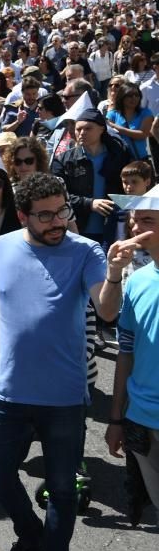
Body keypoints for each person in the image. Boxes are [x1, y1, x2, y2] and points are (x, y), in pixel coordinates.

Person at [0, 173, 140, 551]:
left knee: (63, 491)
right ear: (22, 215)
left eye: (61, 210)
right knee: (0, 476)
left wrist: (116, 274)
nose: (57, 221)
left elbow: (106, 309)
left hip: (64, 399)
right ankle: (30, 537)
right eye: (44, 215)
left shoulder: (87, 251)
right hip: (8, 393)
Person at [106, 185, 159, 519]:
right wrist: (115, 419)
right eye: (134, 219)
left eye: (147, 220)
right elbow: (125, 353)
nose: (136, 228)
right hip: (140, 418)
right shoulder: (136, 281)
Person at [51, 108, 131, 247]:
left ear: (101, 129)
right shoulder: (63, 160)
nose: (82, 133)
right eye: (78, 129)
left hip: (114, 228)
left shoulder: (119, 156)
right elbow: (56, 195)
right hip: (76, 229)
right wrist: (89, 203)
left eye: (88, 128)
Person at [106, 82, 155, 163]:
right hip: (119, 160)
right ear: (122, 97)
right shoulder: (113, 114)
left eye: (137, 95)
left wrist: (115, 127)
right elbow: (108, 135)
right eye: (130, 95)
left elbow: (142, 135)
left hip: (140, 160)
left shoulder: (146, 113)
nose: (134, 98)